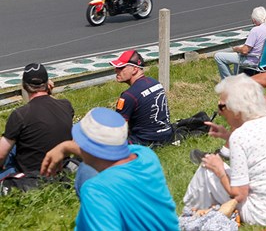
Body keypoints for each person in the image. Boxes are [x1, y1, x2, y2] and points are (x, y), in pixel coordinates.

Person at [183, 74, 266, 226]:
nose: (220, 112)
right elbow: (258, 148)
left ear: (237, 109)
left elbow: (239, 193)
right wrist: (228, 136)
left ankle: (189, 216)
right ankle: (197, 214)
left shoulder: (241, 136)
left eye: (222, 106)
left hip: (264, 216)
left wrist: (219, 170)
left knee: (207, 168)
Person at [40, 107, 177, 230]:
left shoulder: (97, 190)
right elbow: (101, 153)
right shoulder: (146, 156)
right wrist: (65, 147)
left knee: (84, 170)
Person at [0, 63, 73, 182]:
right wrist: (49, 93)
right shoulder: (66, 106)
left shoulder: (20, 114)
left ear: (24, 85)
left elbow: (1, 155)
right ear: (47, 84)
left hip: (30, 176)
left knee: (8, 146)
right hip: (61, 170)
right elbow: (50, 116)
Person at [109, 50, 173, 146]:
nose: (116, 70)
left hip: (144, 141)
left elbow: (118, 129)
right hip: (167, 135)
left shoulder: (128, 96)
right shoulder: (155, 83)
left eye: (121, 67)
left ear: (135, 69)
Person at [215, 7, 266, 79]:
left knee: (218, 56)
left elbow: (245, 50)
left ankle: (229, 81)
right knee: (237, 58)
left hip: (253, 59)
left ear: (254, 19)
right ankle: (237, 80)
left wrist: (236, 49)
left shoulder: (256, 30)